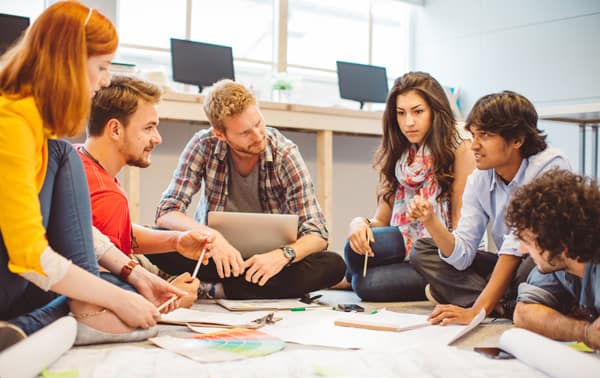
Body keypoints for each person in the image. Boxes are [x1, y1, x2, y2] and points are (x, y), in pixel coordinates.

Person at [0, 2, 184, 348]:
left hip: (19, 278)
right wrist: (115, 299)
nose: (105, 79)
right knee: (117, 293)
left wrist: (131, 279)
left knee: (123, 289)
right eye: (101, 66)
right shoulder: (11, 123)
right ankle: (80, 312)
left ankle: (48, 320)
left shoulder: (33, 126)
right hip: (16, 271)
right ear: (69, 63)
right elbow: (31, 257)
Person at [153, 79, 345, 299]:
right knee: (159, 241)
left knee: (334, 265)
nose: (258, 135)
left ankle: (214, 289)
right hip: (216, 256)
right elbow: (166, 211)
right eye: (245, 132)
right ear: (220, 135)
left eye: (259, 123)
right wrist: (213, 237)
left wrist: (282, 255)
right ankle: (250, 289)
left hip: (268, 262)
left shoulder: (285, 154)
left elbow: (317, 233)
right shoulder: (203, 145)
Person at [409, 90, 571, 325]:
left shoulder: (550, 165)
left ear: (517, 139)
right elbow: (462, 256)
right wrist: (431, 222)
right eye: (473, 135)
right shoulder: (479, 178)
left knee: (531, 269)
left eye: (484, 135)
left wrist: (476, 310)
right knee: (424, 250)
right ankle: (508, 306)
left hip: (540, 260)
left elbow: (518, 246)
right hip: (506, 263)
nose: (473, 145)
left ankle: (484, 301)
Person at [78, 75, 213, 308]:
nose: (157, 138)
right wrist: (172, 298)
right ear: (115, 129)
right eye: (149, 128)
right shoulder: (106, 195)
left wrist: (176, 241)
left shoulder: (80, 158)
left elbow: (114, 235)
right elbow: (101, 295)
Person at [343, 71, 475, 301]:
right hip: (405, 242)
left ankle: (439, 284)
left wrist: (429, 218)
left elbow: (462, 231)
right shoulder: (399, 152)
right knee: (352, 251)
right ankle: (355, 277)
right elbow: (381, 222)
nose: (408, 122)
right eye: (401, 113)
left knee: (367, 284)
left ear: (435, 111)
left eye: (418, 112)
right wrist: (358, 224)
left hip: (439, 254)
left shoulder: (460, 149)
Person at [506, 168, 600, 350]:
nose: (522, 250)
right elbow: (524, 313)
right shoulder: (559, 267)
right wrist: (584, 332)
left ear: (559, 245)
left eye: (527, 241)